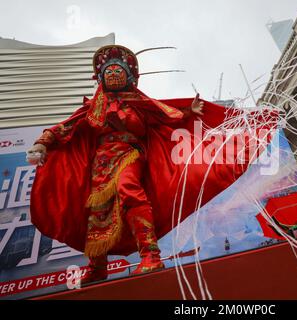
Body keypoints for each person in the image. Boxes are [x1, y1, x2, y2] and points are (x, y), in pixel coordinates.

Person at [28, 45, 274, 285]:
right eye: (109, 72)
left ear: (128, 76)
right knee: (97, 210)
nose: (113, 75)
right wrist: (42, 144)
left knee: (129, 190)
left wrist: (189, 111)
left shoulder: (141, 104)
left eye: (118, 70)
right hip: (100, 163)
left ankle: (150, 255)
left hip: (130, 153)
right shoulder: (93, 108)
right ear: (101, 78)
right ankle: (97, 266)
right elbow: (65, 127)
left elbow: (168, 114)